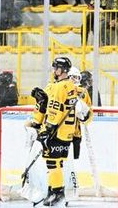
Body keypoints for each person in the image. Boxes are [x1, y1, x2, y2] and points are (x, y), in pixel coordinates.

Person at [29, 57, 78, 207]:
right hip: (67, 132)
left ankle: (57, 193)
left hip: (56, 131)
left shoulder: (59, 87)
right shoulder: (70, 85)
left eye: (56, 68)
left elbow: (55, 109)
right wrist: (44, 98)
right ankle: (53, 190)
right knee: (57, 162)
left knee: (52, 163)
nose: (54, 70)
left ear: (62, 70)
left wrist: (47, 129)